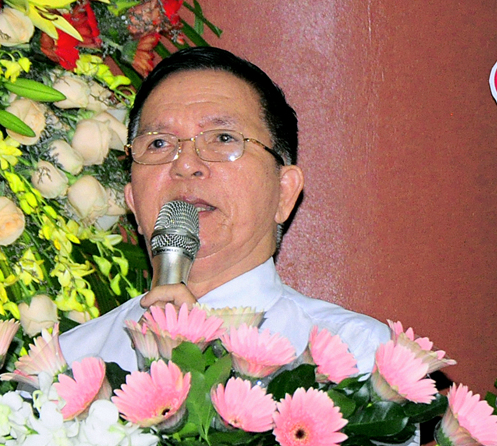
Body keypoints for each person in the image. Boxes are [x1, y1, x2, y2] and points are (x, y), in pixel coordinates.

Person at [59, 46, 390, 373]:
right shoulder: (67, 365)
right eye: (159, 143)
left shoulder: (356, 355)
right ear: (132, 202)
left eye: (223, 138)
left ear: (284, 193)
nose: (186, 165)